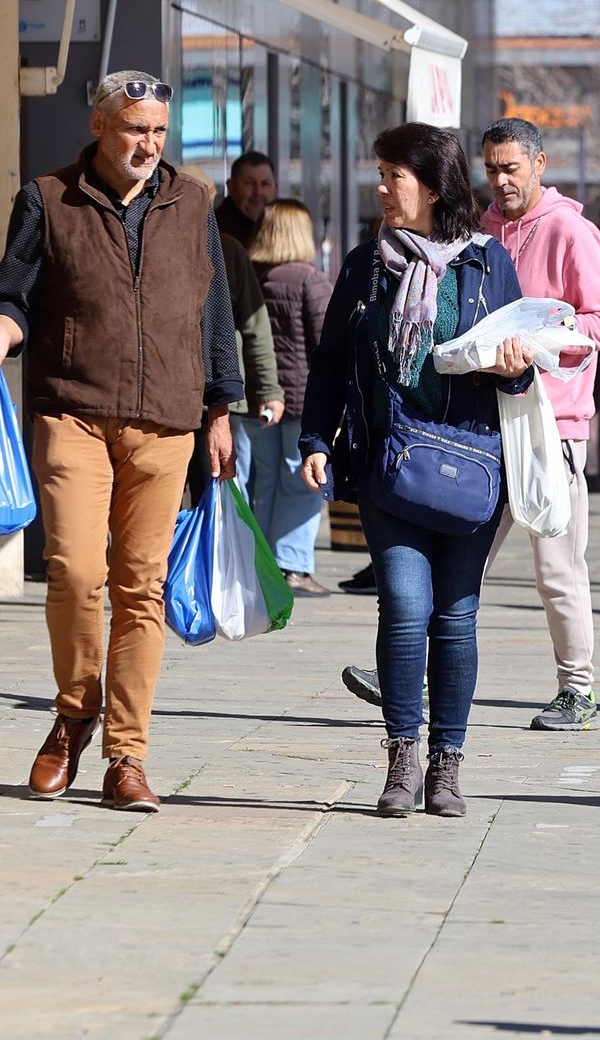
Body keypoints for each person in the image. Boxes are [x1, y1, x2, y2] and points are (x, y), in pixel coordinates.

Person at [0, 70, 242, 812]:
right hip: (72, 410)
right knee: (77, 571)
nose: (148, 144)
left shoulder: (195, 201)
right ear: (98, 126)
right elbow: (13, 292)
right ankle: (76, 708)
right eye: (134, 128)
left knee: (139, 586)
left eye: (158, 131)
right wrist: (0, 330)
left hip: (166, 418)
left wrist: (221, 406)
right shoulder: (49, 198)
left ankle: (126, 755)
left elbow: (216, 313)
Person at [299, 123, 533, 817]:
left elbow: (521, 372)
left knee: (456, 617)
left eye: (392, 175)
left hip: (471, 466)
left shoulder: (489, 265)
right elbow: (333, 363)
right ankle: (402, 756)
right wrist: (316, 438)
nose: (381, 188)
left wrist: (516, 368)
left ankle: (447, 765)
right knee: (404, 607)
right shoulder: (364, 265)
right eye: (381, 173)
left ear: (431, 186)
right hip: (387, 462)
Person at [477, 117, 600, 730]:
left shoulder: (570, 230)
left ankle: (577, 688)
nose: (501, 180)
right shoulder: (483, 229)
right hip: (484, 418)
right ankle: (413, 666)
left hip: (550, 424)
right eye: (491, 169)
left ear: (540, 163)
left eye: (511, 168)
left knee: (558, 566)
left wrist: (540, 338)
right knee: (459, 555)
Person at [175, 164, 283, 510]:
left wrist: (268, 390)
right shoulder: (157, 247)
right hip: (168, 397)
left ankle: (208, 561)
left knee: (215, 486)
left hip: (216, 394)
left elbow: (255, 327)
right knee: (170, 493)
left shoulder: (228, 250)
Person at [247, 199, 333, 597]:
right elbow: (326, 342)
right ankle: (293, 565)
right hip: (301, 397)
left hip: (259, 397)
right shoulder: (308, 279)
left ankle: (258, 561)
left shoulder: (250, 275)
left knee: (263, 481)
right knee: (302, 482)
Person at [215, 151, 276, 247]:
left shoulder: (282, 228)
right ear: (231, 186)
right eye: (249, 183)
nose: (258, 192)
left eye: (265, 184)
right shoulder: (216, 234)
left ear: (275, 188)